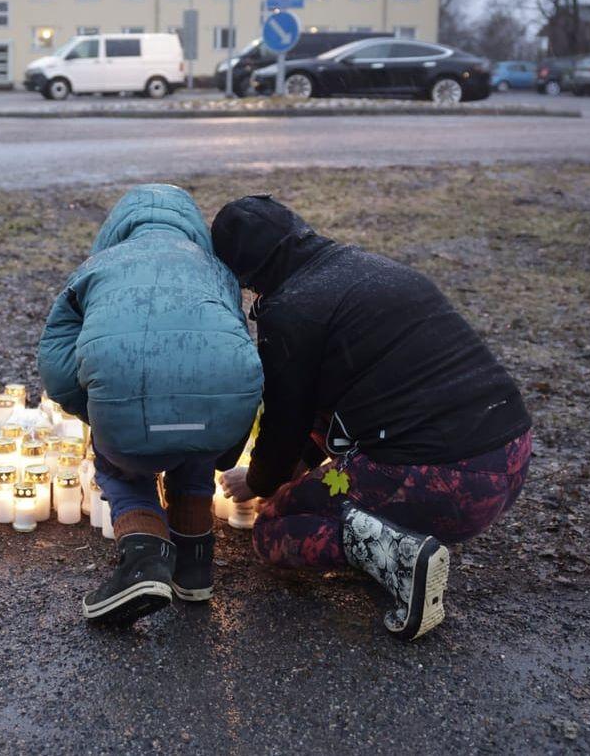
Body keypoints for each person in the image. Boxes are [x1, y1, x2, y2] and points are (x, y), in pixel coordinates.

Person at [210, 195, 532, 641]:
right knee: (316, 479)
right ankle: (391, 537)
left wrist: (263, 482)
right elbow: (316, 415)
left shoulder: (291, 308)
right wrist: (293, 470)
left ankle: (398, 556)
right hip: (511, 454)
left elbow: (286, 421)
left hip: (443, 478)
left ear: (243, 271)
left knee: (273, 529)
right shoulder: (368, 267)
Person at [39, 184, 263, 626]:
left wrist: (98, 414)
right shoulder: (218, 271)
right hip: (217, 424)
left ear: (117, 228)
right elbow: (233, 349)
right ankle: (195, 567)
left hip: (128, 423)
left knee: (121, 467)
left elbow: (56, 365)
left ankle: (144, 560)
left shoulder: (95, 268)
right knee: (193, 445)